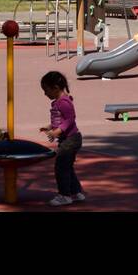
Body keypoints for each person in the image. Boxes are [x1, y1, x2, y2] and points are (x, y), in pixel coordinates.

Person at [39, 71, 84, 206]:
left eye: (46, 90)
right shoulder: (58, 101)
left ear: (55, 88)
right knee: (67, 167)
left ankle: (64, 195)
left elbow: (70, 119)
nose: (45, 93)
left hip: (71, 140)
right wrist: (50, 127)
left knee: (61, 167)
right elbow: (60, 120)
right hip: (69, 139)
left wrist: (57, 131)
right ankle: (75, 192)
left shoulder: (63, 102)